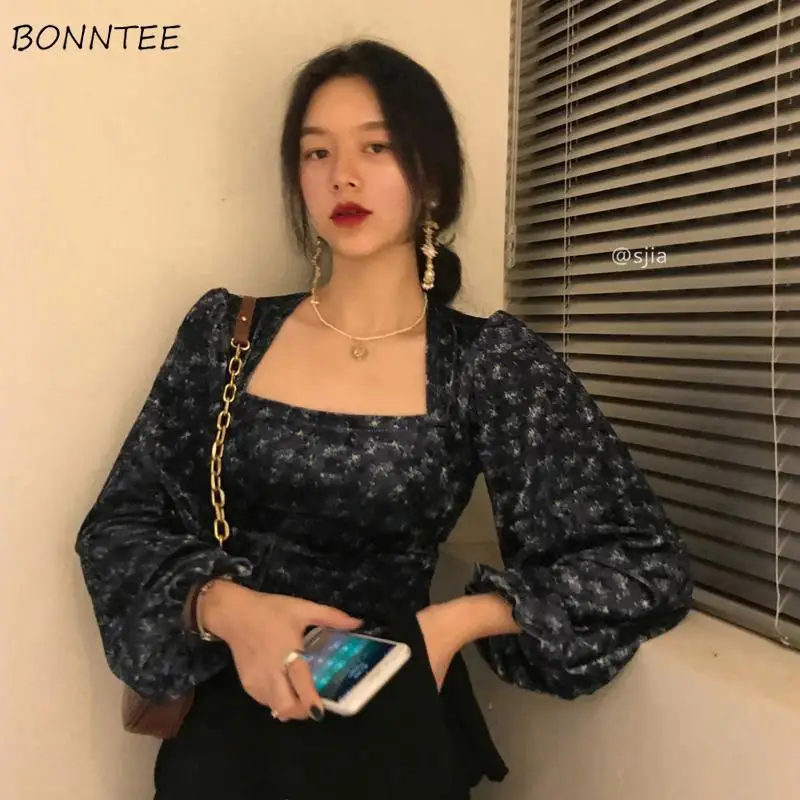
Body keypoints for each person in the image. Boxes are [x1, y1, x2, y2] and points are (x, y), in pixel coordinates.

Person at [75, 38, 693, 800]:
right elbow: (120, 525)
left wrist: (451, 625)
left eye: (377, 146)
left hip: (392, 728)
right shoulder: (225, 334)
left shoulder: (484, 362)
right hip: (226, 735)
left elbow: (641, 563)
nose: (344, 174)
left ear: (431, 173)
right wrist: (225, 607)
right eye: (317, 152)